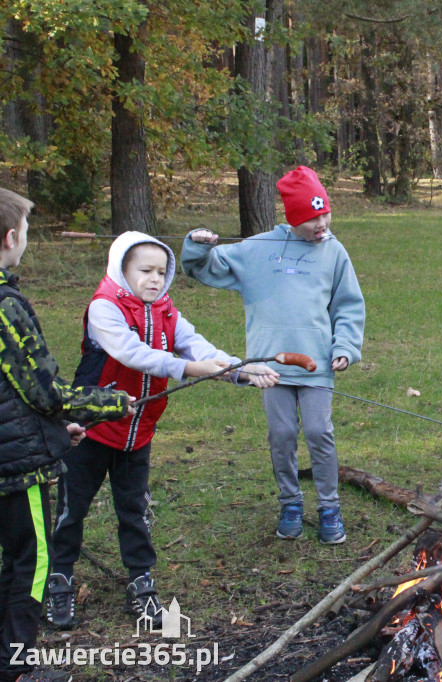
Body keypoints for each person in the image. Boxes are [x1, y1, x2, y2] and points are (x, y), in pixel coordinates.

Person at [46, 232, 277, 631]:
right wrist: (192, 368)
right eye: (145, 271)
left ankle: (140, 578)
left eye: (161, 271)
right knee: (72, 509)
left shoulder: (166, 310)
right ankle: (59, 577)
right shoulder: (105, 308)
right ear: (122, 269)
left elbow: (197, 346)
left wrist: (240, 369)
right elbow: (135, 354)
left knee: (134, 509)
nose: (155, 279)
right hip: (92, 430)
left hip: (138, 432)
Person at [182, 166, 365, 544]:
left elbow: (348, 306)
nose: (322, 223)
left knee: (318, 432)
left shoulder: (334, 251)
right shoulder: (257, 249)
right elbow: (200, 267)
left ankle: (329, 507)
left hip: (317, 363)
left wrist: (345, 347)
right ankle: (290, 502)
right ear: (291, 218)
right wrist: (197, 243)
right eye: (312, 217)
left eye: (325, 213)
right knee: (281, 434)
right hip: (268, 366)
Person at [0, 188, 132, 682]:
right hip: (15, 469)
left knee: (9, 557)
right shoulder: (6, 309)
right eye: (27, 233)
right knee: (31, 563)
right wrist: (111, 402)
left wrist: (55, 431)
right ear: (11, 238)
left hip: (14, 449)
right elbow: (45, 393)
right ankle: (16, 666)